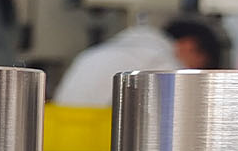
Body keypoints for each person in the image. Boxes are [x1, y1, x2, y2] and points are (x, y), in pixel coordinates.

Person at [52, 16, 227, 107]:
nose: (192, 70)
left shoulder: (119, 46)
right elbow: (183, 105)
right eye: (199, 65)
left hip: (62, 137)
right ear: (190, 46)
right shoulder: (160, 58)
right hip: (95, 141)